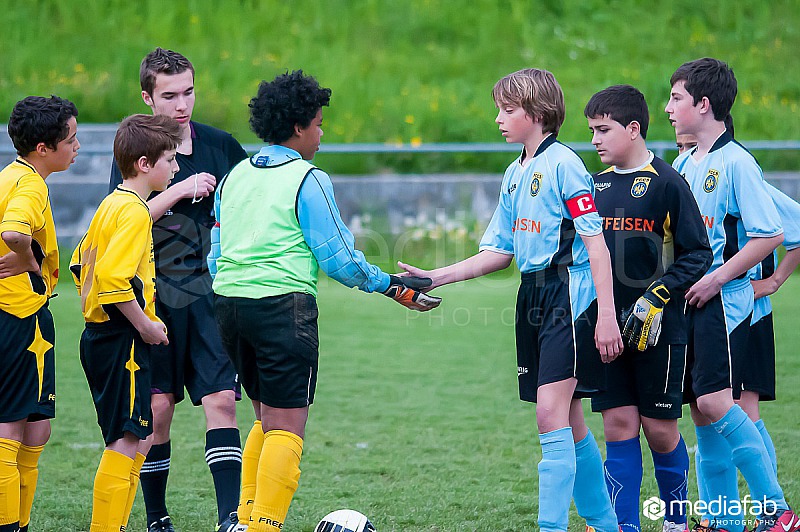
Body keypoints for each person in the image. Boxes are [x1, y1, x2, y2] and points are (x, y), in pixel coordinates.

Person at [208, 69, 440, 532]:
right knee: (287, 427)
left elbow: (215, 255)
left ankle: (243, 520)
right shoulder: (307, 178)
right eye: (318, 124)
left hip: (230, 307)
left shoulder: (234, 176)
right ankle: (263, 525)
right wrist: (392, 286)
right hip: (282, 310)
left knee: (264, 418)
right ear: (298, 127)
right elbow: (340, 260)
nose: (321, 133)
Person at [400, 68, 622, 532]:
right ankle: (606, 525)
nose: (499, 119)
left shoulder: (565, 164)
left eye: (508, 110)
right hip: (532, 294)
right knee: (570, 420)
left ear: (537, 113)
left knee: (549, 413)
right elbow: (499, 252)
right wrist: (434, 277)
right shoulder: (514, 172)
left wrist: (606, 316)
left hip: (569, 294)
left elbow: (596, 245)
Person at [108, 48, 248, 532]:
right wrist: (178, 190)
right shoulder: (136, 150)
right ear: (147, 98)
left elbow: (249, 204)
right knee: (159, 408)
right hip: (157, 297)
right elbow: (123, 220)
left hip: (212, 297)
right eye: (169, 95)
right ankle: (156, 517)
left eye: (188, 92)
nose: (182, 104)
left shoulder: (221, 146)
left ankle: (230, 518)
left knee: (222, 400)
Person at [666, 57, 798, 532]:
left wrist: (719, 278)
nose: (668, 108)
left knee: (718, 402)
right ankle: (723, 519)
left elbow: (770, 235)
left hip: (723, 304)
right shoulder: (683, 163)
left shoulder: (738, 162)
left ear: (704, 104)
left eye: (676, 98)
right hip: (690, 303)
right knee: (702, 413)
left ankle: (776, 512)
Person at [584, 85, 713, 532]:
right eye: (592, 131)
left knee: (659, 430)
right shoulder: (594, 186)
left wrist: (657, 296)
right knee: (618, 425)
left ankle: (675, 521)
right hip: (605, 327)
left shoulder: (666, 182)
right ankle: (623, 525)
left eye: (603, 130)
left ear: (633, 128)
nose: (595, 140)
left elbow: (698, 253)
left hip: (660, 328)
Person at [70, 114, 180, 532]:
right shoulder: (134, 212)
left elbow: (79, 263)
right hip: (121, 340)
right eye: (170, 160)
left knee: (138, 438)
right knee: (126, 439)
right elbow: (114, 282)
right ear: (144, 164)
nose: (176, 168)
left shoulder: (112, 204)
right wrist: (145, 325)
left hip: (101, 336)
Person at [0, 95, 79, 532]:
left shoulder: (10, 175)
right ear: (44, 148)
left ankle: (20, 521)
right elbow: (13, 231)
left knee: (35, 430)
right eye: (71, 139)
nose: (77, 147)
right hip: (18, 318)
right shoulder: (30, 186)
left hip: (21, 317)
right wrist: (30, 261)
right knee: (10, 429)